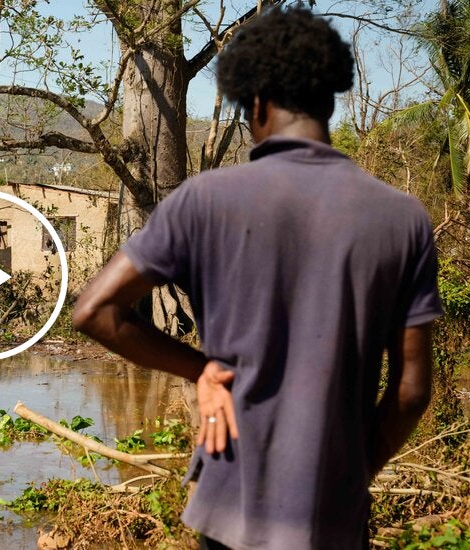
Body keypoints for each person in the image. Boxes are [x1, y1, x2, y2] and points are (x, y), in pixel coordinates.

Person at [71, 7, 442, 549]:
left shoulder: (204, 201)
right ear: (328, 98)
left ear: (258, 102)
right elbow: (411, 392)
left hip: (231, 510)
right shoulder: (402, 217)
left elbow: (94, 312)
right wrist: (354, 471)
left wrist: (203, 370)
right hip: (332, 519)